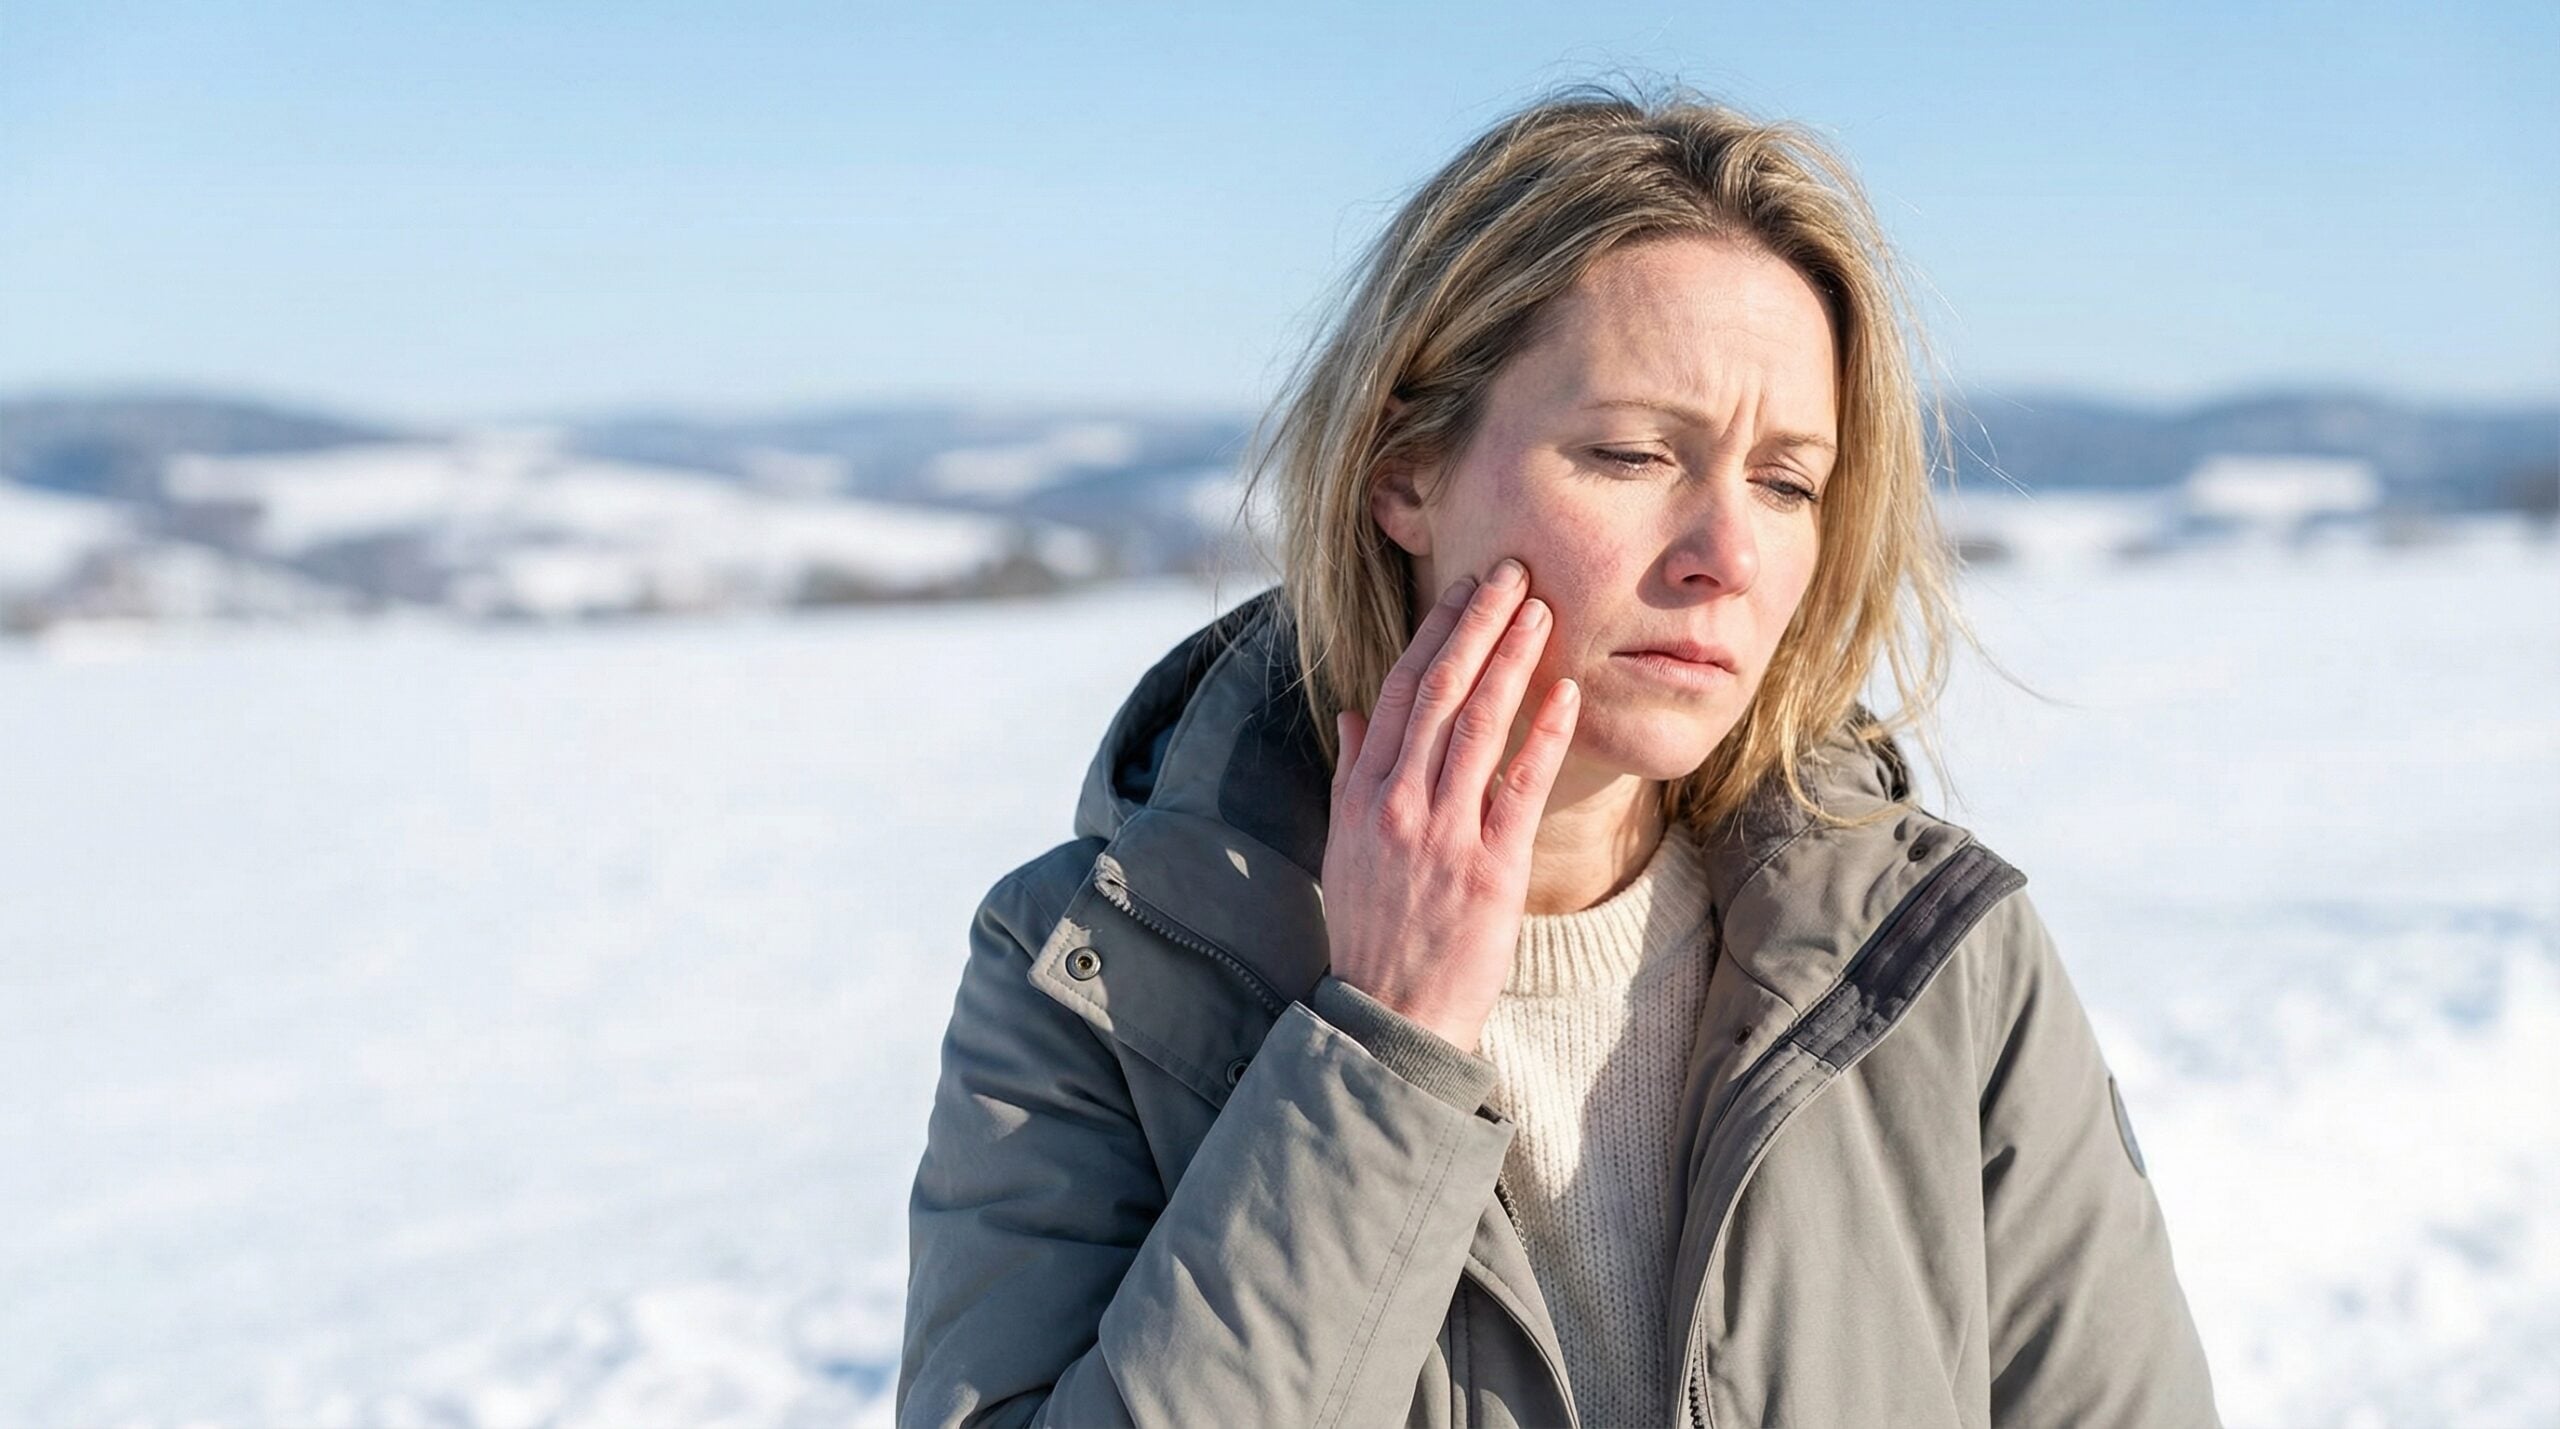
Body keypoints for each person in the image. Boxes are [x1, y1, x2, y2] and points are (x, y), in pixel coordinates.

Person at [898, 82, 2220, 1428]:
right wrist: (1379, 1056)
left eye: (1786, 482)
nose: (1731, 556)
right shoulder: (1104, 972)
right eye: (1636, 451)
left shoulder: (1935, 965)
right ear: (1402, 473)